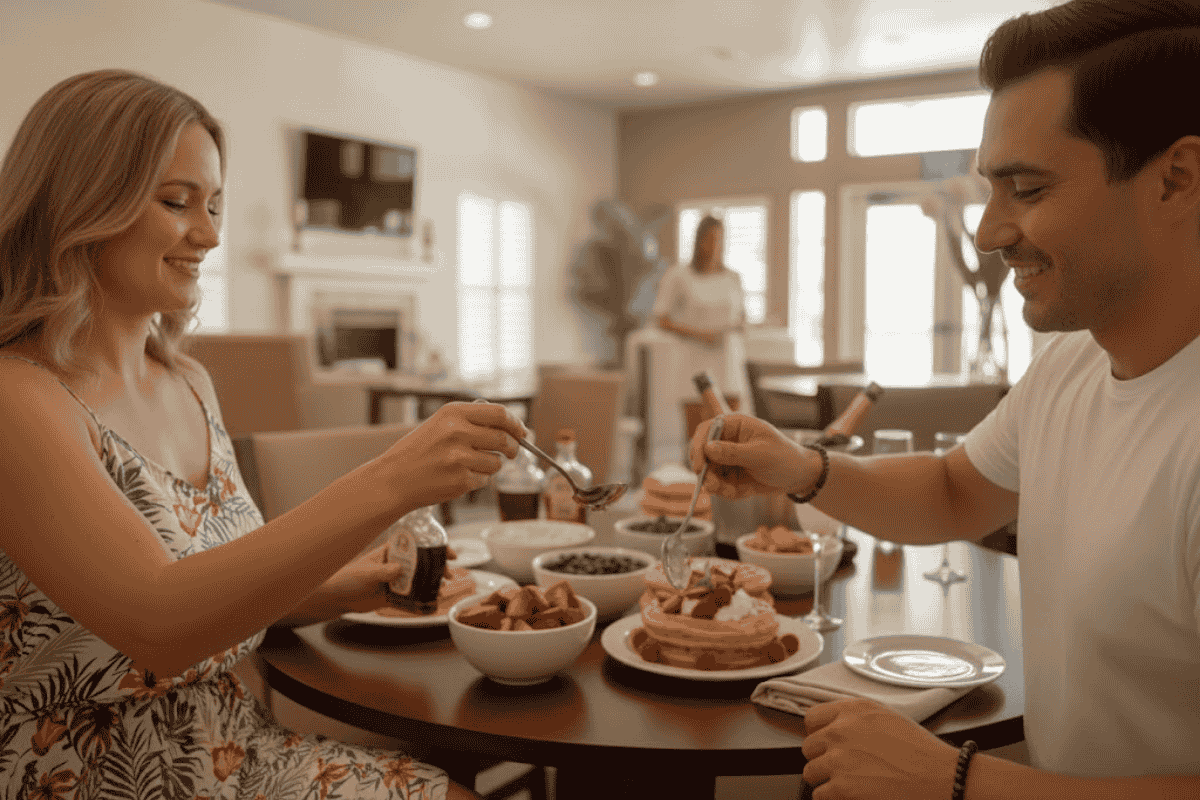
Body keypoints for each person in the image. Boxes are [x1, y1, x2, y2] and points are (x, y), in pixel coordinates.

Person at [690, 1, 1200, 797]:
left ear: (1176, 179)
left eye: (1026, 189)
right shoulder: (1069, 367)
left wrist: (958, 781)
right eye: (990, 189)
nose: (989, 231)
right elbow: (955, 490)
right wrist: (797, 466)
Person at [0, 70, 525, 800]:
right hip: (86, 776)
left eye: (213, 204)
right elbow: (159, 621)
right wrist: (393, 476)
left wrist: (344, 586)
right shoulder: (17, 398)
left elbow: (218, 585)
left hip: (235, 754)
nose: (211, 235)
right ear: (81, 201)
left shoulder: (188, 381)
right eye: (176, 201)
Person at [653, 214, 749, 409]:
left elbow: (741, 317)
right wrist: (701, 335)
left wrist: (739, 327)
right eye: (710, 239)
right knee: (699, 432)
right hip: (693, 360)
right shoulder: (679, 276)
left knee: (732, 430)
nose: (715, 245)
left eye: (719, 240)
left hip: (727, 360)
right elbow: (662, 320)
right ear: (699, 240)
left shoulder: (732, 278)